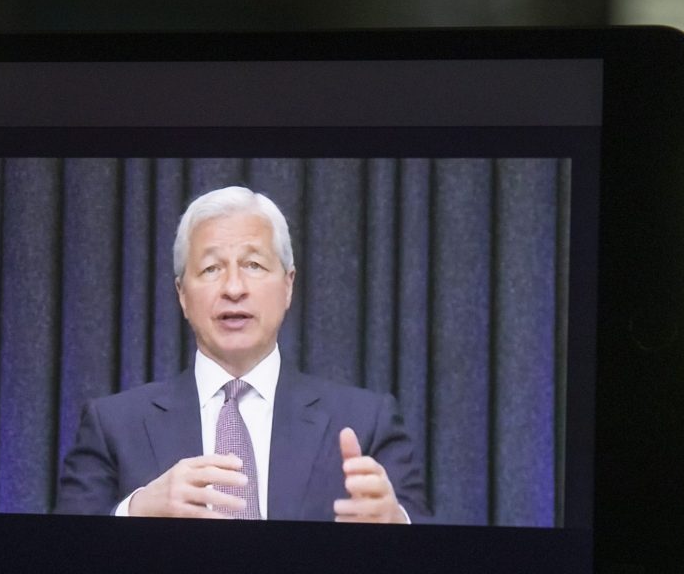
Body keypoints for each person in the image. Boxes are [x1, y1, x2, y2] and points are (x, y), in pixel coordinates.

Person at [55, 185, 428, 522]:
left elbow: (440, 563)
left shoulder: (366, 422)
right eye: (211, 268)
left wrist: (396, 525)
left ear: (288, 285)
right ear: (183, 295)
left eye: (253, 265)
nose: (234, 288)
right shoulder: (113, 426)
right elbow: (58, 565)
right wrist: (134, 511)